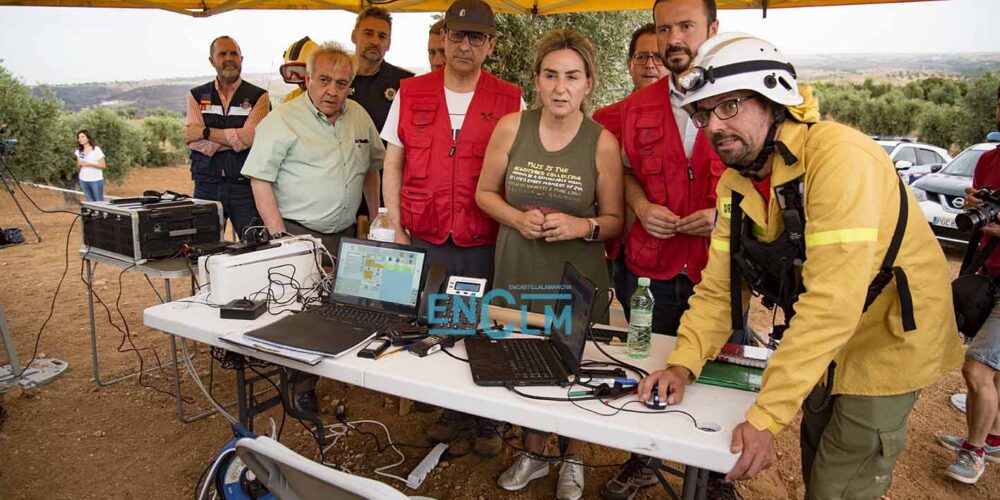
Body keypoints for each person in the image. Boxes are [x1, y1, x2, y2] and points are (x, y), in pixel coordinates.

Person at [637, 33, 964, 499]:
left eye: (729, 106)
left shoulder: (838, 158)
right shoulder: (737, 182)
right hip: (822, 342)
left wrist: (766, 416)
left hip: (888, 343)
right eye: (703, 113)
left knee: (838, 486)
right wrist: (683, 365)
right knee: (817, 466)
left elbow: (832, 301)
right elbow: (719, 288)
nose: (713, 126)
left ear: (775, 100)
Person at [477, 29, 623, 500]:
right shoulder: (510, 127)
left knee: (575, 367)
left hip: (575, 278)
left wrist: (582, 227)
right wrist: (518, 219)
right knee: (524, 361)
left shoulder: (602, 142)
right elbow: (484, 193)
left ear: (588, 84)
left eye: (572, 77)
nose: (561, 87)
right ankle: (535, 453)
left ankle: (572, 457)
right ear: (536, 80)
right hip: (518, 265)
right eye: (551, 75)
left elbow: (616, 220)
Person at [381, 0, 523, 458]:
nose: (465, 45)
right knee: (441, 324)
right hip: (426, 233)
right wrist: (397, 227)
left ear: (491, 45)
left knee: (483, 325)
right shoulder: (410, 91)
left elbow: (517, 172)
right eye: (457, 36)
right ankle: (452, 412)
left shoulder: (510, 97)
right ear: (443, 39)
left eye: (476, 37)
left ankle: (487, 419)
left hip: (483, 236)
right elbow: (393, 163)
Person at [600, 2, 726, 498]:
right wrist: (639, 202)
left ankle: (713, 475)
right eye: (664, 28)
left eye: (686, 26)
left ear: (712, 30)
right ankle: (643, 456)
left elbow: (766, 182)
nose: (673, 38)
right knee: (647, 362)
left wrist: (723, 218)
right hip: (650, 268)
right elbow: (625, 171)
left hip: (719, 270)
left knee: (715, 373)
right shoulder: (637, 107)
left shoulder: (740, 98)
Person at [242, 42, 384, 414]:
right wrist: (280, 238)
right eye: (324, 81)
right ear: (307, 79)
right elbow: (259, 179)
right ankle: (300, 386)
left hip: (346, 235)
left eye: (341, 83)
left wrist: (377, 220)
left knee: (340, 308)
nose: (332, 91)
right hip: (296, 231)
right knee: (302, 315)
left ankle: (334, 370)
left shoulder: (359, 117)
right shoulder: (282, 120)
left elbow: (372, 169)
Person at [940, 84, 1000, 484]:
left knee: (977, 369)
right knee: (994, 372)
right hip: (988, 273)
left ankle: (974, 451)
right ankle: (993, 438)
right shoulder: (987, 160)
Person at [591, 22, 668, 320]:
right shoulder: (605, 117)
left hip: (667, 250)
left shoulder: (691, 117)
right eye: (642, 57)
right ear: (629, 65)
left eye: (658, 57)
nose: (650, 65)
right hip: (618, 246)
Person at [184, 35, 269, 241]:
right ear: (212, 60)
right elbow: (193, 140)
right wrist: (234, 140)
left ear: (242, 58)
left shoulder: (259, 96)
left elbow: (250, 137)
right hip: (206, 186)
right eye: (222, 54)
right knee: (203, 251)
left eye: (234, 53)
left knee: (254, 249)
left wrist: (206, 132)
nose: (229, 58)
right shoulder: (196, 95)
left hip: (245, 187)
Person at [279, 36, 318, 103]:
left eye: (300, 71)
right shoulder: (291, 98)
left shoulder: (332, 97)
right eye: (290, 71)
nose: (294, 76)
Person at [75, 129, 106, 202]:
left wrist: (90, 164)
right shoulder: (79, 151)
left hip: (96, 179)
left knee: (99, 201)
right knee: (90, 201)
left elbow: (103, 165)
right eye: (79, 137)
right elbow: (78, 166)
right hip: (83, 179)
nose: (80, 139)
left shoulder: (96, 150)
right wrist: (80, 163)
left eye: (82, 137)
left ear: (88, 138)